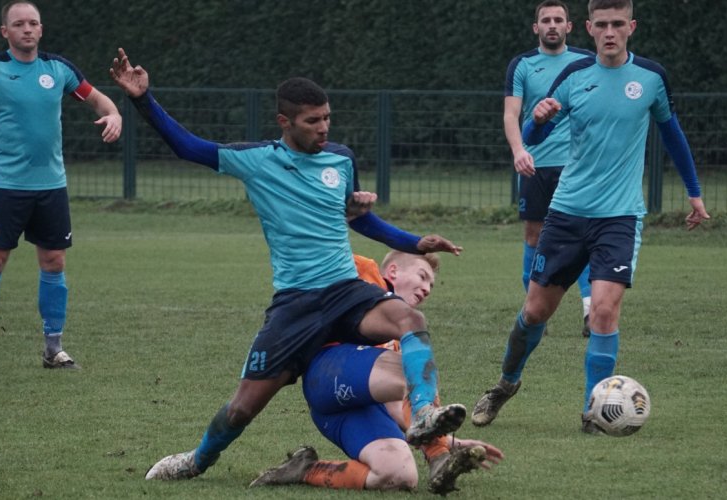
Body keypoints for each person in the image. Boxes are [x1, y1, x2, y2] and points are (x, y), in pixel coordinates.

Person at [108, 48, 468, 481]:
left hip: (345, 291)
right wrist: (142, 99)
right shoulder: (257, 161)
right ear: (285, 122)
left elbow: (360, 218)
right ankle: (196, 460)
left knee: (410, 317)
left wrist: (414, 241)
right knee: (242, 408)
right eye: (312, 121)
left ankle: (426, 413)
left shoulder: (341, 159)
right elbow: (187, 147)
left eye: (327, 118)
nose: (324, 128)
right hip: (296, 304)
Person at [472, 0, 709, 433]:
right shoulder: (573, 75)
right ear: (590, 27)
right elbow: (531, 135)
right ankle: (506, 384)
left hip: (620, 216)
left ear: (631, 26)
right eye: (602, 25)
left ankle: (593, 412)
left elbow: (672, 134)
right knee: (534, 313)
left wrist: (694, 194)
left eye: (619, 24)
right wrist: (538, 122)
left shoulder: (651, 78)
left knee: (603, 311)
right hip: (566, 213)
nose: (610, 32)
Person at [0, 1, 122, 369]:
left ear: (41, 29)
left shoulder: (59, 69)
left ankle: (54, 348)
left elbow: (97, 99)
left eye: (33, 23)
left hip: (52, 186)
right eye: (18, 24)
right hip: (7, 186)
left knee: (54, 262)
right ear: (5, 32)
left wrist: (113, 115)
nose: (27, 29)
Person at [251, 251, 504, 494]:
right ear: (393, 270)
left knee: (399, 475)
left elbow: (397, 409)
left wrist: (451, 441)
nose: (427, 288)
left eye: (431, 285)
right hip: (326, 377)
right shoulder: (365, 272)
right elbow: (322, 252)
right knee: (414, 373)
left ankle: (305, 469)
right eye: (422, 276)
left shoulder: (400, 342)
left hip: (358, 407)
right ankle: (438, 458)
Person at [504, 0, 594, 337]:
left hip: (577, 166)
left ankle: (589, 308)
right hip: (535, 165)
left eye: (559, 19)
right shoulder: (523, 64)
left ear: (570, 27)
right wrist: (518, 150)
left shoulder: (586, 62)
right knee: (535, 236)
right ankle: (534, 312)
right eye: (546, 20)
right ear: (536, 27)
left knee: (583, 234)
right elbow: (511, 114)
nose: (552, 24)